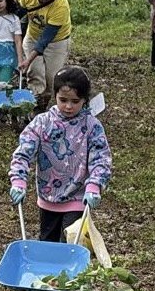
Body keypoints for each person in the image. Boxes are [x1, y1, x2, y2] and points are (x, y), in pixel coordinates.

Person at [9, 65, 112, 244]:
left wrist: (95, 185)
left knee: (70, 243)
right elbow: (23, 152)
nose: (68, 106)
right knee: (47, 243)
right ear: (55, 95)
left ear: (84, 100)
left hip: (78, 197)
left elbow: (101, 158)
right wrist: (18, 180)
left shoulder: (91, 126)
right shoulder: (42, 123)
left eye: (75, 101)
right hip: (48, 196)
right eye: (63, 100)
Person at [17, 0, 72, 112]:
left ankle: (45, 101)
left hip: (56, 42)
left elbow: (45, 39)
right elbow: (18, 16)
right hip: (32, 37)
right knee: (35, 72)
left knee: (52, 77)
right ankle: (35, 105)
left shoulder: (61, 5)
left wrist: (27, 60)